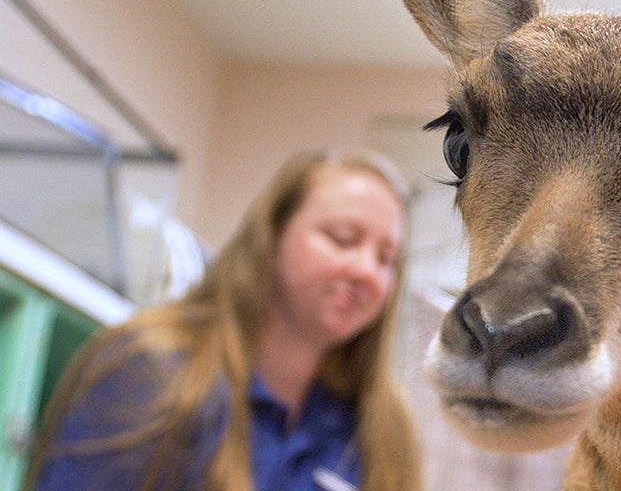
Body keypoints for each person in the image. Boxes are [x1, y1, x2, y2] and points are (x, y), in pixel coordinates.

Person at [24, 149, 423, 491]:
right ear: (272, 236)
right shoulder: (153, 371)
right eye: (342, 238)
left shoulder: (381, 430)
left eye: (386, 259)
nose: (366, 271)